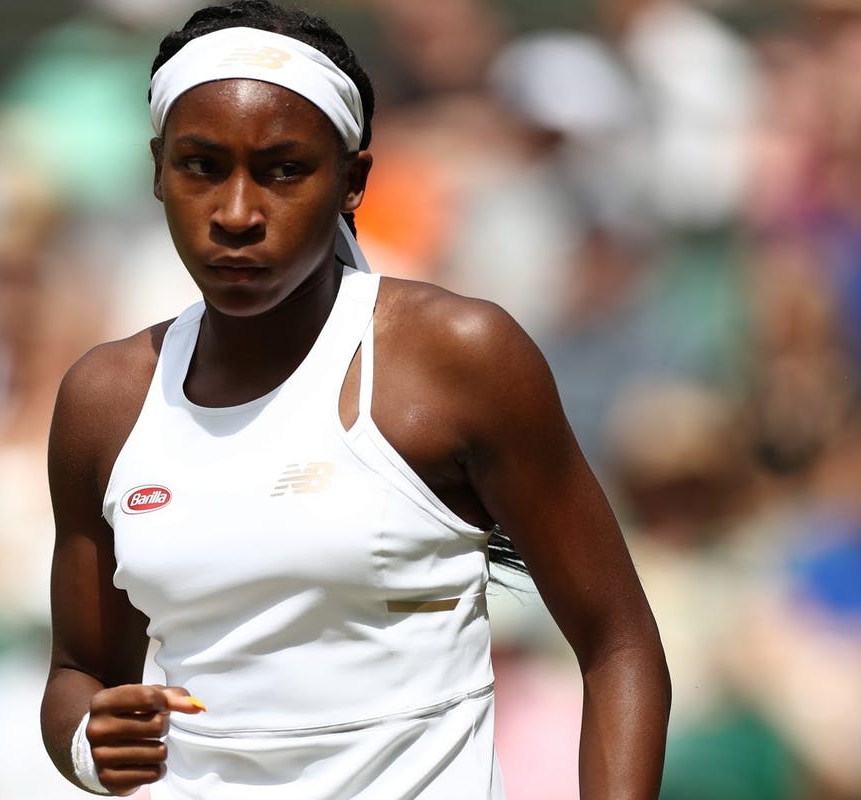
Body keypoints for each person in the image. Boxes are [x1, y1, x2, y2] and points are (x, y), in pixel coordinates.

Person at [41, 2, 670, 798]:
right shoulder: (103, 402)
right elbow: (80, 673)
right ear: (157, 170)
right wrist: (86, 742)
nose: (236, 214)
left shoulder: (460, 357)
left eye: (283, 170)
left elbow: (619, 646)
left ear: (353, 182)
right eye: (201, 166)